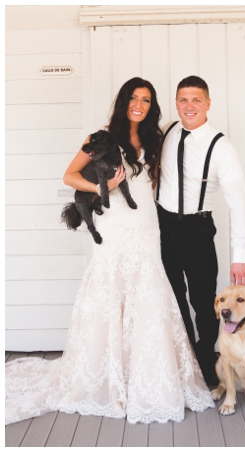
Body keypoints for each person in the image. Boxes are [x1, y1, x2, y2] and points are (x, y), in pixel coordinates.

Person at [6, 77, 214, 425]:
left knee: (147, 286)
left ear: (152, 106)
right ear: (123, 101)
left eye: (146, 100)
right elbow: (69, 175)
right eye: (133, 98)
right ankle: (107, 373)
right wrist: (103, 188)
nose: (139, 104)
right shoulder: (101, 136)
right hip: (114, 222)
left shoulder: (154, 138)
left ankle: (147, 372)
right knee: (112, 284)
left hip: (146, 222)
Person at [156, 76, 245, 389]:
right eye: (183, 99)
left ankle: (207, 357)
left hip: (196, 230)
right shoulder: (168, 131)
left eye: (196, 99)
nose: (189, 106)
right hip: (161, 226)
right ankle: (184, 357)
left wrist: (241, 255)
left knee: (203, 300)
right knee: (171, 296)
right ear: (176, 103)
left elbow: (239, 202)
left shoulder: (221, 146)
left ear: (208, 104)